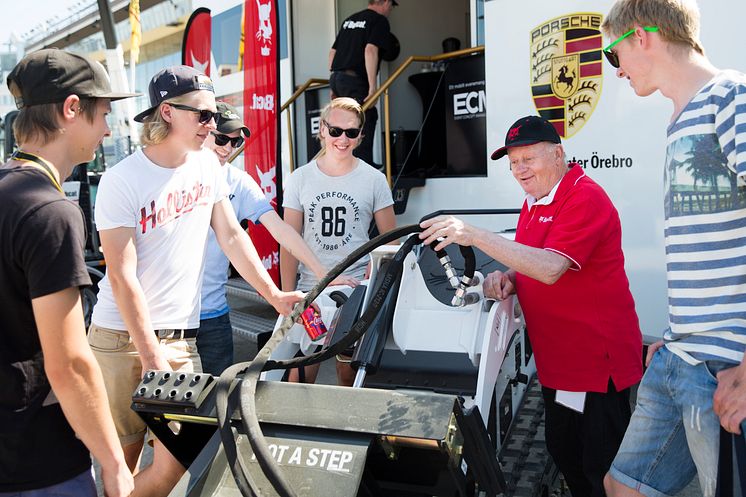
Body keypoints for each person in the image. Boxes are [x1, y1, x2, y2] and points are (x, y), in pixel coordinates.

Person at [87, 66, 303, 497]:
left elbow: (231, 234)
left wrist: (274, 294)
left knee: (178, 463)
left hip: (181, 341)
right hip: (120, 339)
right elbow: (122, 273)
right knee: (120, 468)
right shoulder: (121, 180)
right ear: (166, 112)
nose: (213, 124)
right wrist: (150, 356)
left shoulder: (207, 166)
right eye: (203, 115)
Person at [419, 115, 643, 497]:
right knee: (566, 453)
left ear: (558, 154)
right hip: (561, 366)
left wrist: (473, 234)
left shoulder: (584, 196)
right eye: (513, 162)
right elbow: (534, 259)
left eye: (528, 159)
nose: (520, 169)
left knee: (601, 469)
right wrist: (508, 276)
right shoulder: (535, 201)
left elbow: (552, 266)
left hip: (595, 366)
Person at [599, 1, 746, 496]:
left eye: (611, 53)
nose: (615, 70)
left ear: (641, 37)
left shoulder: (730, 96)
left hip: (726, 367)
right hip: (678, 356)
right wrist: (676, 332)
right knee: (622, 488)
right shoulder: (680, 117)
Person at [0, 48, 134, 497]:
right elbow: (70, 363)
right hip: (38, 459)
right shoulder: (49, 210)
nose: (108, 130)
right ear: (71, 109)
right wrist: (114, 463)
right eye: (103, 115)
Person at [198, 101, 356, 375]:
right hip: (167, 315)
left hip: (213, 314)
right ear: (204, 131)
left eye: (235, 143)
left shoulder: (239, 181)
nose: (227, 148)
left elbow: (281, 230)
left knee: (212, 405)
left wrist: (324, 274)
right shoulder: (175, 176)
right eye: (222, 138)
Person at [280, 97, 396, 386]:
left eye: (351, 132)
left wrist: (373, 279)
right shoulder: (300, 178)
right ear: (322, 130)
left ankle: (346, 430)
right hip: (311, 290)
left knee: (348, 373)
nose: (342, 139)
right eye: (335, 131)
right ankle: (293, 430)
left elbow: (390, 242)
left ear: (360, 136)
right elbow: (289, 241)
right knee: (303, 370)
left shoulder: (373, 179)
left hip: (355, 292)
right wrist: (285, 296)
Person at [329, 0, 398, 167]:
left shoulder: (350, 20)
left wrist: (333, 83)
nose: (390, 9)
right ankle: (361, 165)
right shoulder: (379, 21)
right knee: (365, 116)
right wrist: (373, 87)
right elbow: (370, 50)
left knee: (347, 120)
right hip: (354, 80)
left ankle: (345, 164)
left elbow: (332, 52)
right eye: (392, 5)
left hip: (338, 78)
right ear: (386, 2)